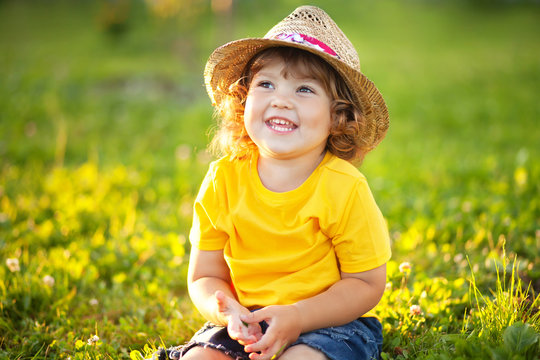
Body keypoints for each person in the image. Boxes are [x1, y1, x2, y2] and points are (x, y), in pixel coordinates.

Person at [158, 5, 391, 360]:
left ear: (337, 117)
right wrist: (226, 312)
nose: (281, 100)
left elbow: (366, 284)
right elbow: (203, 275)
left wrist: (299, 316)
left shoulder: (344, 188)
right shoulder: (224, 179)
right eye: (266, 84)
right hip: (247, 321)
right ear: (243, 99)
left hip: (327, 323)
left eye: (304, 90)